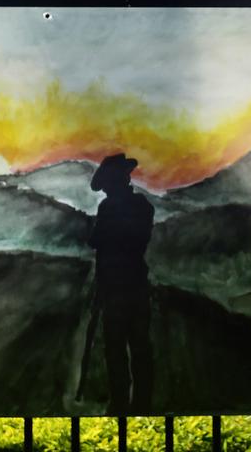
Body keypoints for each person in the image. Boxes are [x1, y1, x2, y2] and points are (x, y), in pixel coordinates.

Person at [79, 153, 155, 413]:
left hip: (118, 287)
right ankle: (138, 402)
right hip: (131, 284)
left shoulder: (111, 209)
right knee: (136, 347)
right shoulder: (142, 207)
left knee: (118, 348)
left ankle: (122, 403)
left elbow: (97, 241)